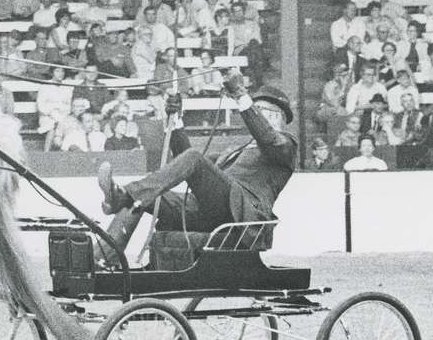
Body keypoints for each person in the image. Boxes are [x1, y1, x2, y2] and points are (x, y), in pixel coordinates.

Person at [96, 74, 296, 262]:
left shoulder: (285, 145)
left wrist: (240, 95)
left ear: (276, 117)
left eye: (258, 111)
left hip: (241, 213)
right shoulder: (235, 150)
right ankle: (106, 258)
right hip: (211, 209)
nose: (252, 116)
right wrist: (175, 121)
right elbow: (188, 161)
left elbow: (267, 138)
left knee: (183, 165)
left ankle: (123, 196)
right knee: (146, 197)